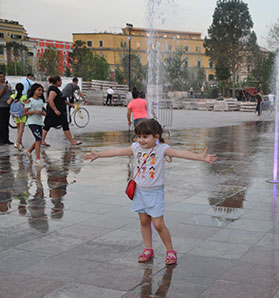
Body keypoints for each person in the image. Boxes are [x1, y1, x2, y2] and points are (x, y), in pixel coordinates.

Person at [83, 119, 217, 265]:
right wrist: (98, 154)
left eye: (145, 137)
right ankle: (148, 249)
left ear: (156, 136)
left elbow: (180, 153)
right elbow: (117, 151)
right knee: (144, 221)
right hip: (139, 191)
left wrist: (200, 157)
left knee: (158, 224)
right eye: (139, 136)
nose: (141, 140)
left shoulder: (162, 149)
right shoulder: (136, 147)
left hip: (155, 193)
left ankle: (170, 251)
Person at [40, 76, 82, 147]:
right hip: (55, 112)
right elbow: (50, 100)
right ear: (57, 81)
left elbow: (61, 99)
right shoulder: (53, 90)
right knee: (51, 125)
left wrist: (70, 104)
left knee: (48, 125)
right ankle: (72, 141)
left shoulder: (56, 89)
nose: (61, 82)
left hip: (57, 111)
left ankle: (42, 140)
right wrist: (55, 110)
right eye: (60, 81)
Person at [23, 83, 46, 165]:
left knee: (38, 140)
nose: (40, 92)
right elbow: (25, 113)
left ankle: (28, 151)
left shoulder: (41, 101)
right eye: (39, 90)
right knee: (38, 139)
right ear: (34, 91)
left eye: (41, 91)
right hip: (32, 123)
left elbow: (41, 110)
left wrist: (43, 113)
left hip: (39, 122)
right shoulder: (29, 100)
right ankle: (38, 159)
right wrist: (34, 111)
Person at [7, 83, 28, 150]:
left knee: (19, 129)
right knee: (21, 130)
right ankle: (17, 143)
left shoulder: (13, 96)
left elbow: (8, 102)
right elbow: (26, 105)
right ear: (23, 89)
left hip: (15, 114)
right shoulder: (24, 96)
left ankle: (20, 143)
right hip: (22, 114)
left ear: (16, 89)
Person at [0, 71, 12, 145]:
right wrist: (3, 89)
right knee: (1, 123)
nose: (2, 78)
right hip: (1, 106)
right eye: (0, 77)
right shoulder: (2, 86)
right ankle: (1, 139)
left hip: (7, 106)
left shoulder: (7, 85)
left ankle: (6, 139)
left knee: (6, 123)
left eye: (3, 77)